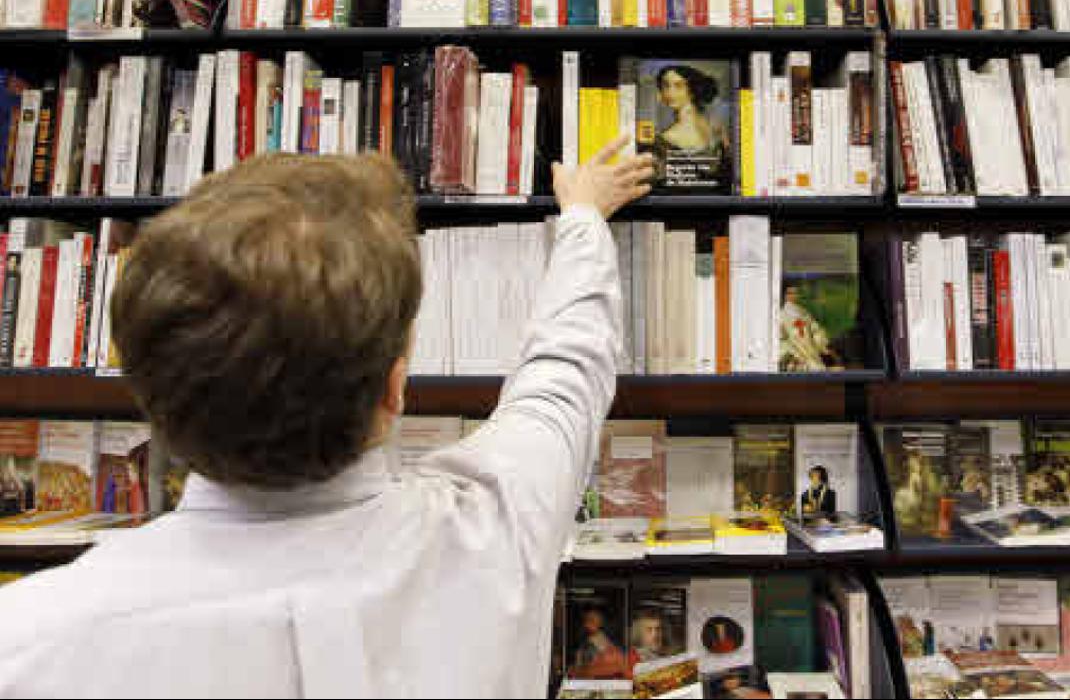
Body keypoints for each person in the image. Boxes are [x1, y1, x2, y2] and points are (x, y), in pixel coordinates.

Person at [0, 138, 654, 697]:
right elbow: (566, 366)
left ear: (152, 396)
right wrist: (582, 217)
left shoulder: (29, 643)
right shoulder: (498, 522)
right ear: (394, 390)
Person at [652, 64, 729, 187]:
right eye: (666, 86)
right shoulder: (716, 127)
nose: (670, 92)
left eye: (678, 86)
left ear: (693, 90)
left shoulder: (716, 128)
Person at [778, 286, 839, 371]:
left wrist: (823, 346)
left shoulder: (804, 313)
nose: (793, 296)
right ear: (785, 296)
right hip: (795, 355)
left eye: (796, 293)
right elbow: (781, 339)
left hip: (810, 352)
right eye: (790, 293)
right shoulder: (781, 315)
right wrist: (792, 355)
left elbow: (815, 330)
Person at [570, 608, 627, 680]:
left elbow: (618, 664)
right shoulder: (584, 642)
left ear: (600, 623)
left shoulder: (606, 641)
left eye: (592, 621)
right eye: (587, 621)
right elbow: (579, 666)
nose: (587, 624)